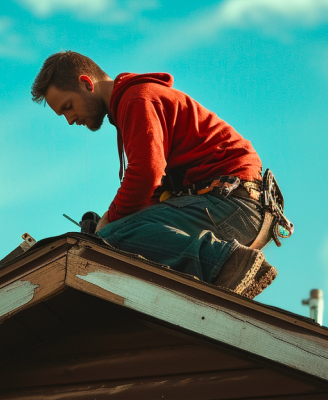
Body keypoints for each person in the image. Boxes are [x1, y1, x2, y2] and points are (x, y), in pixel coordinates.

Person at [31, 51, 277, 299]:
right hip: (230, 204)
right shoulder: (133, 102)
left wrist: (109, 222)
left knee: (111, 239)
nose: (70, 120)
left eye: (68, 106)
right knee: (118, 236)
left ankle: (226, 263)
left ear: (87, 83)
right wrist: (118, 221)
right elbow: (155, 189)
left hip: (235, 205)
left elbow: (146, 173)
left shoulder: (137, 99)